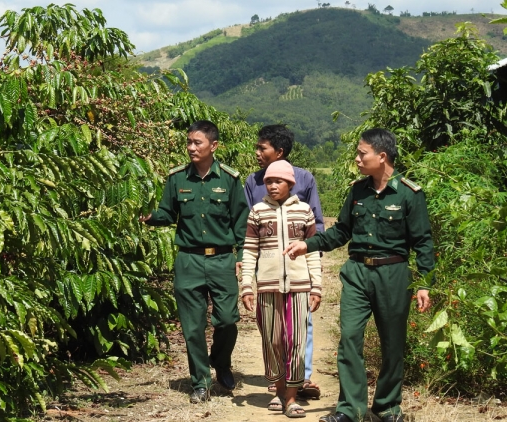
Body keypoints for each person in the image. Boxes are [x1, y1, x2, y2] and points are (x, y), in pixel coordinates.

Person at [283, 128, 435, 422]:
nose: (356, 158)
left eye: (361, 153)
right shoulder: (357, 191)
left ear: (381, 156)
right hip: (356, 273)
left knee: (392, 342)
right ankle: (350, 409)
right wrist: (307, 244)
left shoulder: (409, 193)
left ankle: (387, 406)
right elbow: (342, 231)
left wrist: (424, 283)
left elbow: (423, 241)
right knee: (350, 338)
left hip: (393, 273)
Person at [140, 120, 249, 403]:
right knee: (192, 326)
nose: (191, 147)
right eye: (189, 142)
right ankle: (200, 381)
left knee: (226, 319)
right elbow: (168, 212)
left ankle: (221, 361)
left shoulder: (229, 179)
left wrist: (242, 258)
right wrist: (149, 217)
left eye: (197, 143)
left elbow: (241, 222)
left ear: (213, 146)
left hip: (222, 259)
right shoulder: (177, 178)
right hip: (188, 260)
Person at [243, 124, 324, 399]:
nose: (256, 152)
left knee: (300, 328)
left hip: (298, 273)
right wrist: (248, 274)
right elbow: (248, 233)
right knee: (272, 331)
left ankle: (301, 378)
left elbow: (316, 224)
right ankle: (279, 381)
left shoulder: (305, 179)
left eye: (261, 148)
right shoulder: (252, 182)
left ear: (279, 151)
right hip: (268, 274)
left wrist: (315, 275)